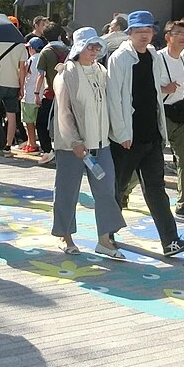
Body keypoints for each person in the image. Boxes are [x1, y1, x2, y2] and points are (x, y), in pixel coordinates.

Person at [107, 9, 184, 257]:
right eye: (139, 31)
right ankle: (107, 236)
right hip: (127, 137)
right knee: (118, 188)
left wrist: (161, 131)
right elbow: (114, 98)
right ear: (130, 33)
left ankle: (171, 241)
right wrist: (121, 133)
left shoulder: (154, 56)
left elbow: (155, 94)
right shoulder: (120, 58)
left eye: (148, 31)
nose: (144, 35)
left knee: (156, 189)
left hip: (152, 134)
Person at [53, 28, 125, 257]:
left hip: (101, 143)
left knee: (106, 191)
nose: (93, 51)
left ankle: (105, 239)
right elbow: (63, 112)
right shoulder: (67, 74)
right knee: (67, 191)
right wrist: (74, 140)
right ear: (78, 47)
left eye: (96, 47)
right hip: (72, 146)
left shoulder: (101, 71)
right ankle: (65, 236)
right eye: (89, 46)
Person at [157, 19, 184, 214]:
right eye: (178, 34)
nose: (183, 38)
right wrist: (164, 89)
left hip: (181, 114)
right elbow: (144, 86)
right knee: (149, 158)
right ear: (167, 37)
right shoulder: (157, 59)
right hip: (162, 114)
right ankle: (124, 190)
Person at [0, 37, 26, 152]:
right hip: (14, 84)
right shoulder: (20, 46)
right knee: (12, 115)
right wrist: (22, 87)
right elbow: (22, 68)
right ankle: (8, 145)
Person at [19, 37, 46, 153]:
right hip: (41, 94)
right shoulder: (43, 59)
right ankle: (31, 143)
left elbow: (24, 73)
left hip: (29, 94)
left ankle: (32, 143)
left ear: (31, 48)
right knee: (39, 122)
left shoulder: (30, 60)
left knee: (29, 122)